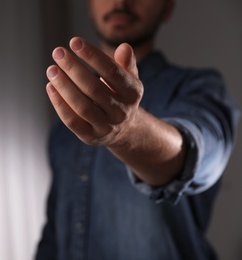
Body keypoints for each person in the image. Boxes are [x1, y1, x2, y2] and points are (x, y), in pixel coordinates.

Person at [35, 0, 240, 259]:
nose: (121, 2)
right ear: (89, 5)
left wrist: (127, 131)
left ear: (166, 8)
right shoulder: (66, 116)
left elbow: (199, 156)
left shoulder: (201, 87)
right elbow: (55, 230)